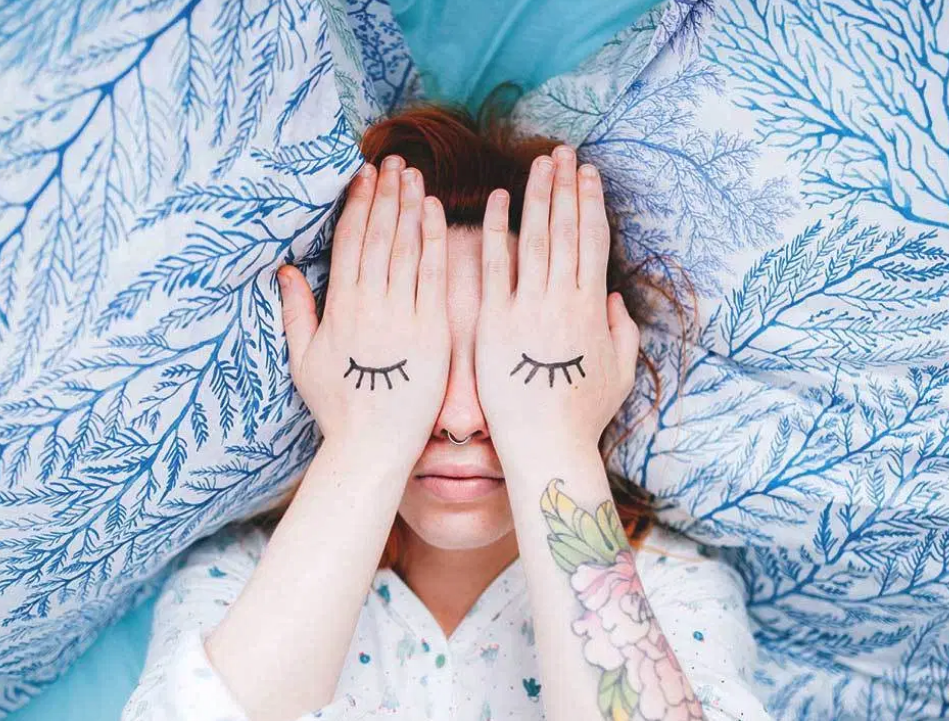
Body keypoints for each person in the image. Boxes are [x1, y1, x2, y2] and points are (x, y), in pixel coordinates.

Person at [121, 103, 770, 721]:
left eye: (504, 363)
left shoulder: (674, 586)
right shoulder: (240, 577)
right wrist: (364, 440)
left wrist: (553, 442)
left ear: (605, 364)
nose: (460, 418)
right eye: (419, 356)